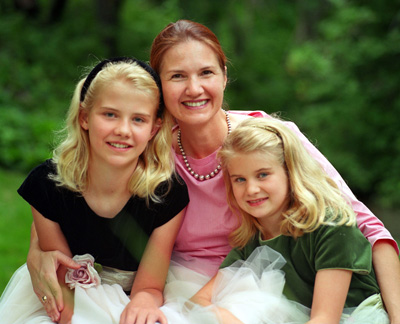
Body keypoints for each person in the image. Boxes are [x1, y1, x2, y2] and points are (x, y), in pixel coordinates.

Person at [26, 19, 400, 322]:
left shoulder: (269, 140)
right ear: (159, 90)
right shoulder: (148, 146)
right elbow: (68, 192)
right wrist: (37, 253)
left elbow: (365, 226)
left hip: (264, 290)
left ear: (224, 76)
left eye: (206, 72)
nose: (194, 89)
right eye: (176, 77)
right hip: (177, 290)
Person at [0, 57, 189, 324]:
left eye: (138, 119)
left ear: (154, 128)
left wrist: (143, 304)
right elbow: (61, 285)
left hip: (134, 298)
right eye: (110, 114)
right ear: (85, 117)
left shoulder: (167, 194)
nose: (123, 130)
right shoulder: (47, 185)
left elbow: (149, 288)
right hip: (69, 302)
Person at [186, 117, 389, 324]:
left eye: (263, 175)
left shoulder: (331, 227)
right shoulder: (252, 242)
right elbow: (195, 301)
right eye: (240, 179)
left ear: (290, 172)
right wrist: (227, 318)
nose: (251, 189)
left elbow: (324, 318)